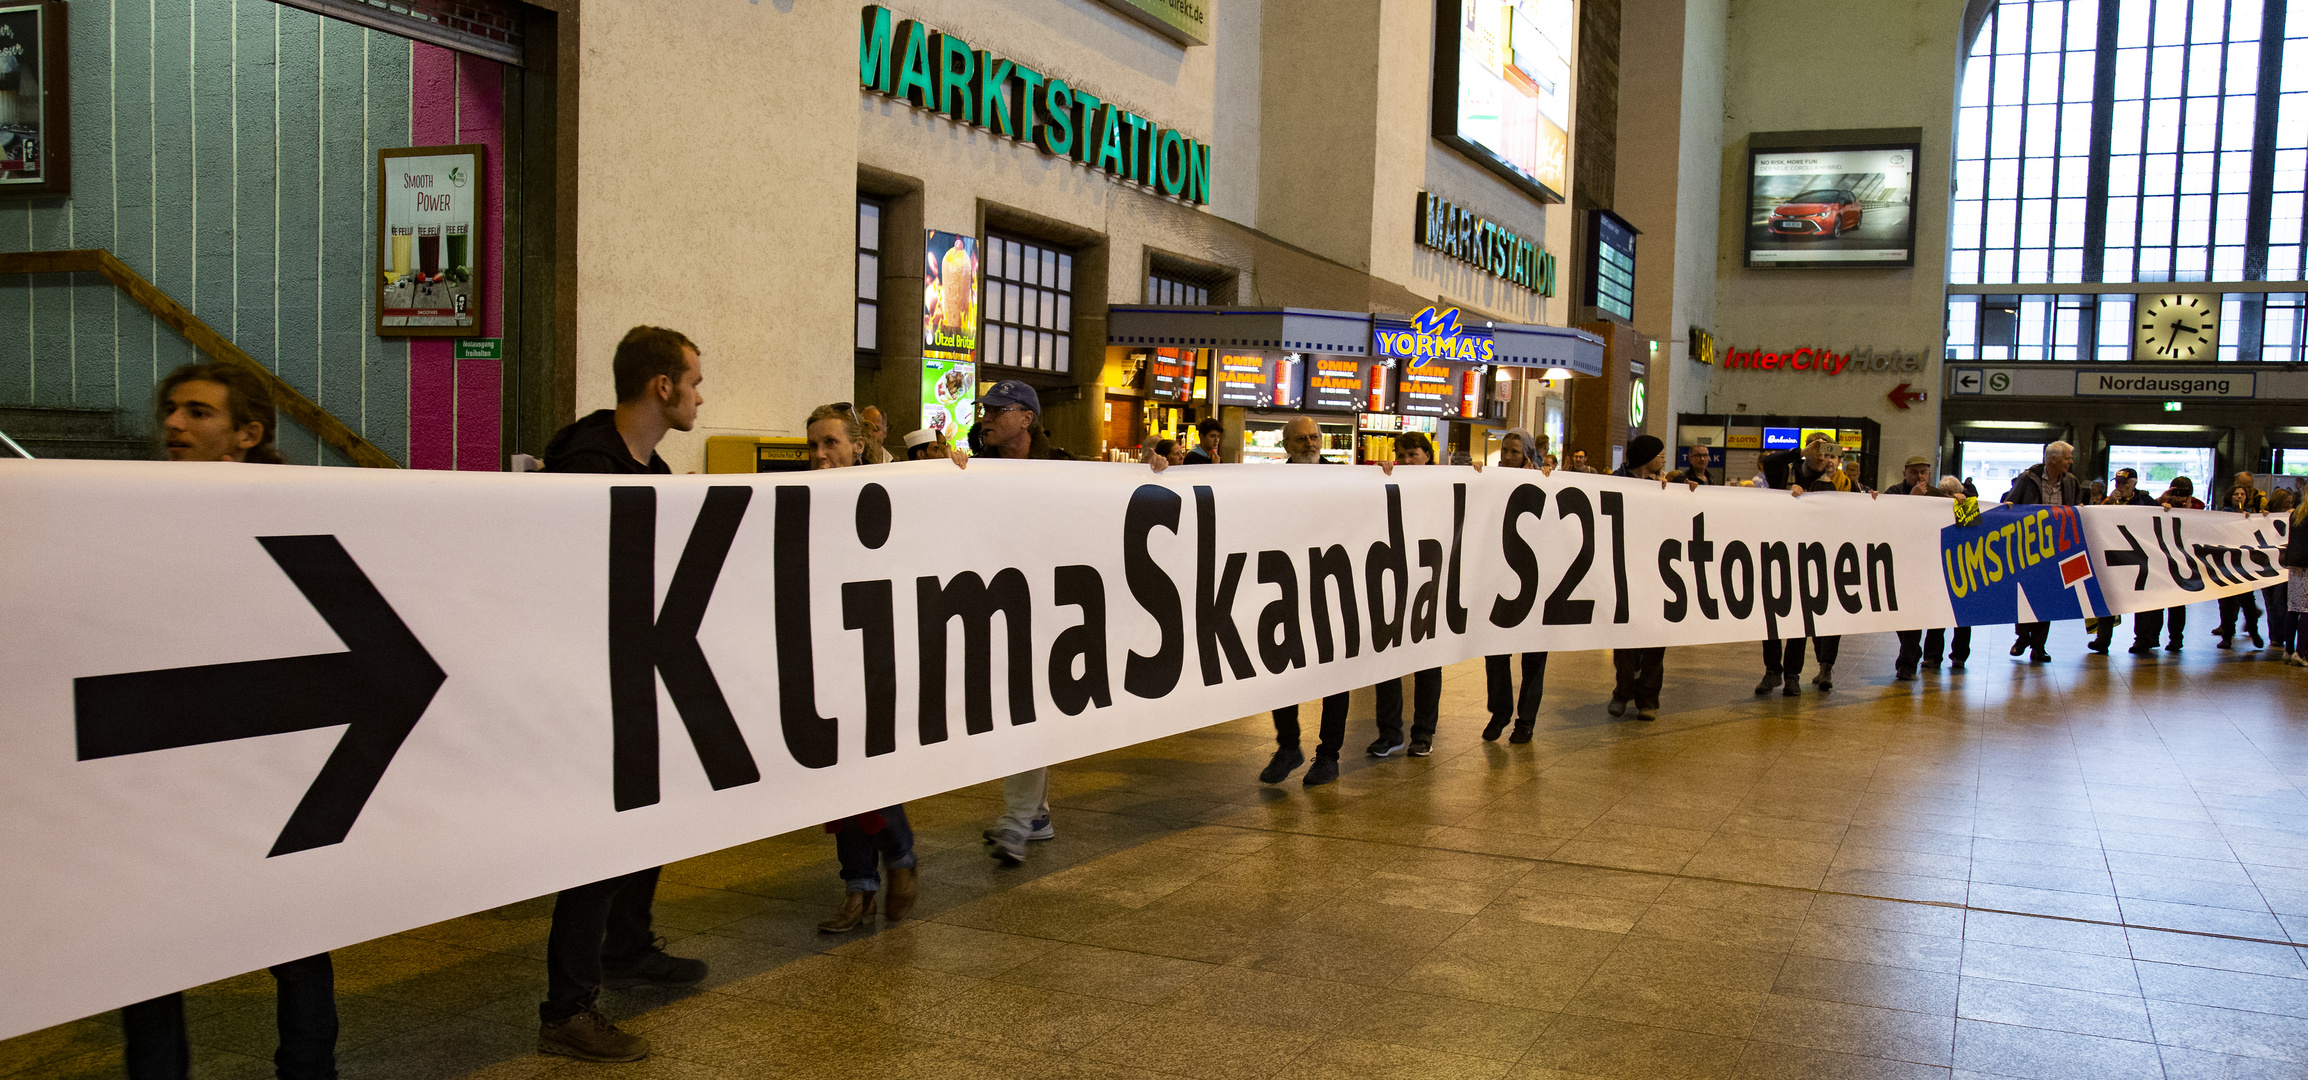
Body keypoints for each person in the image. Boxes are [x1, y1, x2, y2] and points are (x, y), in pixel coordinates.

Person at [123, 364, 337, 1080]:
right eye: (171, 411)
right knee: (148, 938)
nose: (174, 425)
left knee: (295, 932)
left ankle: (309, 1067)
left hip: (259, 763)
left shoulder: (289, 515)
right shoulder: (132, 512)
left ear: (247, 434)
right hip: (169, 763)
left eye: (197, 413)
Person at [537, 326, 712, 1063]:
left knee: (648, 820)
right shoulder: (586, 466)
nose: (701, 395)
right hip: (589, 683)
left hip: (637, 672)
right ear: (661, 387)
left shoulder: (653, 470)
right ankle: (566, 1011)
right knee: (597, 844)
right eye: (694, 381)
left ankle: (628, 943)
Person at [803, 403, 921, 932]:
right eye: (813, 446)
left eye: (830, 443)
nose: (821, 455)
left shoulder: (892, 490)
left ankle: (888, 866)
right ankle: (868, 879)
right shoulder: (802, 499)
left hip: (878, 653)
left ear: (858, 445)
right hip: (829, 653)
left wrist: (961, 471)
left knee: (864, 768)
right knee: (837, 775)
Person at [956, 381, 1063, 865]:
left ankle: (1020, 821)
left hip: (1049, 610)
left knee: (1026, 710)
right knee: (1013, 709)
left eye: (999, 410)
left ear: (1027, 418)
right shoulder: (979, 467)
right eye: (986, 410)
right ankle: (1033, 814)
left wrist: (1158, 472)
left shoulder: (1063, 468)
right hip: (998, 604)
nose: (987, 417)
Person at [1260, 417, 1356, 786]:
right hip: (1287, 591)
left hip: (1335, 590)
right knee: (1281, 668)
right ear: (1286, 445)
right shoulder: (1269, 484)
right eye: (1300, 439)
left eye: (1314, 437)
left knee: (1335, 674)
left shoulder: (1348, 480)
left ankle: (1328, 755)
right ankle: (1288, 745)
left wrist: (1388, 474)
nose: (1309, 444)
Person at [1755, 433, 1854, 695]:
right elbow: (1769, 461)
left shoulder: (1831, 483)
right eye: (1818, 450)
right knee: (1772, 618)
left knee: (1799, 621)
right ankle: (1772, 671)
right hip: (1776, 554)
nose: (1823, 457)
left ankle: (1792, 675)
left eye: (1828, 452)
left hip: (1808, 559)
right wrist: (1800, 451)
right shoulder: (1785, 469)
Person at [1369, 431, 1445, 756]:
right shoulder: (1390, 479)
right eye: (1402, 454)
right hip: (1396, 579)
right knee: (1388, 657)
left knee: (1428, 661)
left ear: (1428, 455)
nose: (1407, 461)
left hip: (1431, 580)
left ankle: (1423, 733)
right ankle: (1390, 732)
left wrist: (1477, 472)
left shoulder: (1445, 483)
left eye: (1413, 454)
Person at [1608, 435, 1680, 719]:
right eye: (1659, 454)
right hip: (1623, 570)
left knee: (1654, 635)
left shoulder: (1664, 488)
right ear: (1645, 456)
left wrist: (1685, 494)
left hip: (1657, 571)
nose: (1664, 458)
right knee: (1625, 637)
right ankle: (1622, 691)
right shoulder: (1614, 483)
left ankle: (1648, 698)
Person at [1484, 428, 1548, 742]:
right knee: (1495, 651)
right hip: (1500, 578)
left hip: (1537, 581)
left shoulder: (1545, 481)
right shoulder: (1489, 481)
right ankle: (1500, 712)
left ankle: (1526, 720)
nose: (1507, 457)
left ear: (1526, 453)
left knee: (1534, 656)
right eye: (1505, 451)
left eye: (1514, 451)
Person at [2002, 440, 2084, 663]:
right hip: (2028, 547)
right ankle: (2022, 637)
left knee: (2048, 597)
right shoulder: (2028, 479)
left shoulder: (2071, 482)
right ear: (2054, 459)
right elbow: (2009, 504)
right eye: (2067, 458)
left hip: (2056, 549)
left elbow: (2077, 506)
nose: (2071, 462)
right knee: (2025, 594)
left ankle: (2039, 646)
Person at [1892, 472, 1972, 678]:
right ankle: (1932, 656)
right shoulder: (1925, 506)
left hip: (1960, 565)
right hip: (1932, 565)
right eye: (1942, 494)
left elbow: (1973, 529)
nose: (1946, 499)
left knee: (1961, 615)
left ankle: (1959, 655)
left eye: (1950, 494)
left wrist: (1964, 503)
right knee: (1935, 615)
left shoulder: (1966, 504)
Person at [2131, 477, 2206, 654]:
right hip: (2160, 559)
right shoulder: (2161, 504)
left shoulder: (2198, 508)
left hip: (2183, 561)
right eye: (2176, 491)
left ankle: (2176, 639)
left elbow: (2200, 529)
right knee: (2154, 601)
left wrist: (2187, 511)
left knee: (2178, 603)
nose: (2179, 496)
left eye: (2183, 492)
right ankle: (2148, 638)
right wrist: (2160, 502)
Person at [2216, 480, 2267, 650]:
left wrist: (2262, 519)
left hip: (2245, 565)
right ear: (2230, 497)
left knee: (2248, 602)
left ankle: (2254, 632)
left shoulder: (2250, 514)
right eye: (2236, 494)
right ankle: (2227, 635)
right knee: (2227, 604)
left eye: (2242, 494)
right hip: (2226, 564)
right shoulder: (2224, 514)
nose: (2239, 497)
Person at [2266, 489, 2298, 661]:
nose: (2290, 505)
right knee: (2270, 601)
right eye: (2287, 501)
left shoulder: (2293, 516)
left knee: (2279, 601)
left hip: (2282, 565)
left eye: (2291, 502)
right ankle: (2275, 635)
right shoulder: (2266, 516)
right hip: (2267, 564)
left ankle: (2280, 635)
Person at [2286, 494, 2308, 667]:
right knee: (2306, 610)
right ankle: (2301, 652)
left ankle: (2288, 650)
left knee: (2293, 608)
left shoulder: (2296, 512)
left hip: (2294, 564)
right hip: (2306, 565)